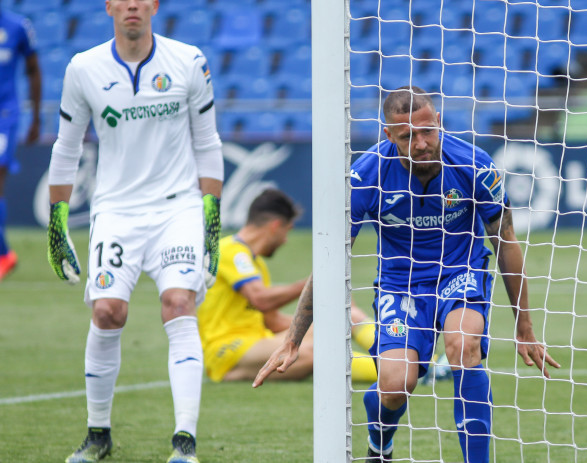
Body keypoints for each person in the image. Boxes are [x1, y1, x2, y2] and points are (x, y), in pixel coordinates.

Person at [253, 86, 560, 463]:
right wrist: (292, 340)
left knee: (463, 347)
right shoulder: (365, 176)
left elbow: (506, 241)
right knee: (397, 387)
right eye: (407, 136)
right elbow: (331, 259)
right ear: (388, 135)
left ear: (439, 123)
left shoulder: (475, 165)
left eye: (427, 131)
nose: (420, 143)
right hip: (400, 286)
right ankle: (380, 439)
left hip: (460, 272)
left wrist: (524, 326)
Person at [46, 1, 223, 462]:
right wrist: (57, 220)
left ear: (154, 5)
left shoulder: (189, 61)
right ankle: (98, 435)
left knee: (179, 303)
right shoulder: (83, 68)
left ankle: (185, 444)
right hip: (117, 211)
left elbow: (207, 142)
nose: (131, 6)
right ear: (108, 6)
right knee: (107, 312)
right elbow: (66, 147)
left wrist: (212, 217)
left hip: (177, 209)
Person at [198, 188, 377, 384]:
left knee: (343, 318)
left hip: (256, 341)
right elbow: (260, 299)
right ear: (275, 226)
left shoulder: (256, 264)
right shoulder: (231, 250)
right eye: (287, 230)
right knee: (318, 351)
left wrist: (325, 324)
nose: (285, 240)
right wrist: (315, 283)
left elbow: (272, 321)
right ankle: (395, 374)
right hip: (227, 347)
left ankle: (398, 362)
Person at [0, 6, 41, 281]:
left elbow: (33, 71)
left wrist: (36, 118)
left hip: (5, 115)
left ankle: (3, 255)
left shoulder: (17, 26)